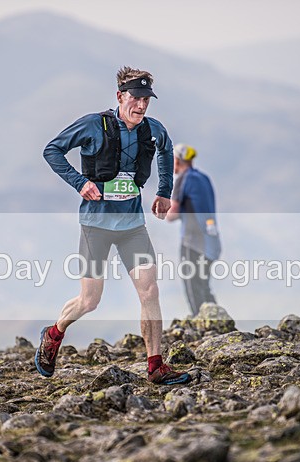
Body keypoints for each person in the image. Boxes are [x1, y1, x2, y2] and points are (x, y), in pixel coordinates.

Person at [36, 66, 190, 386]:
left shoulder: (152, 129)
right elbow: (52, 150)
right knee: (90, 301)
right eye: (136, 98)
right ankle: (54, 333)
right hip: (97, 224)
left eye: (147, 99)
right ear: (120, 96)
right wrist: (80, 183)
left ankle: (155, 365)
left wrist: (163, 192)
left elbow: (165, 149)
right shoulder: (94, 125)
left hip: (133, 225)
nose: (142, 105)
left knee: (150, 290)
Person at [166, 143, 221, 316]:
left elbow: (171, 213)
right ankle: (217, 319)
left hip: (193, 242)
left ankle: (201, 322)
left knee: (192, 285)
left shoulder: (184, 179)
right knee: (203, 285)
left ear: (177, 160)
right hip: (211, 241)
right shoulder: (203, 178)